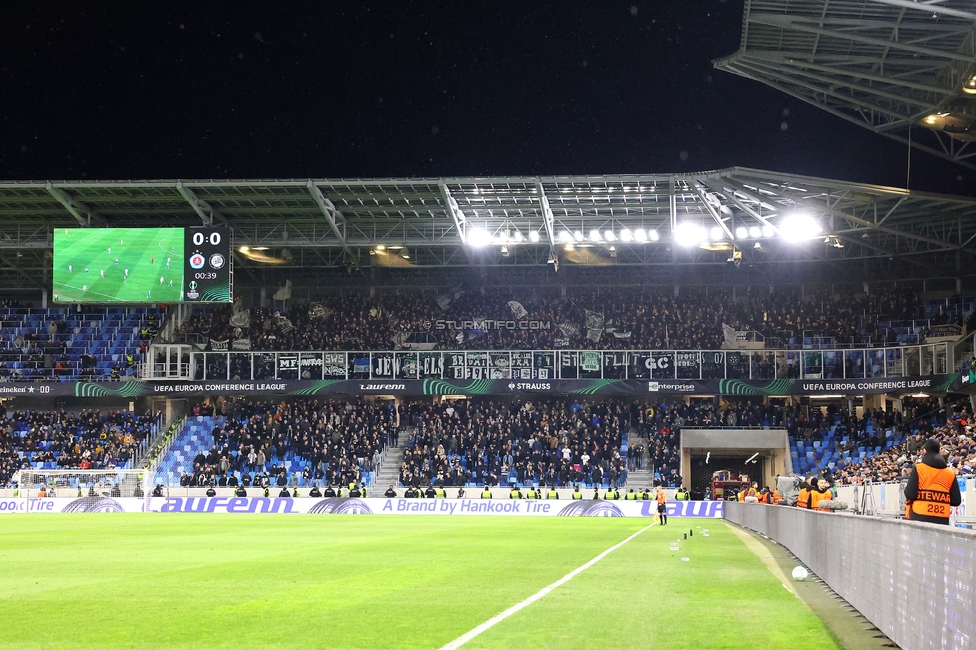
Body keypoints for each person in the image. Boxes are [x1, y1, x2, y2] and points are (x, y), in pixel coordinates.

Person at [904, 439, 961, 525]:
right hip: (942, 518)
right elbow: (956, 501)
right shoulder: (950, 473)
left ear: (925, 450)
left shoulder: (919, 469)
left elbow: (910, 494)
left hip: (919, 515)